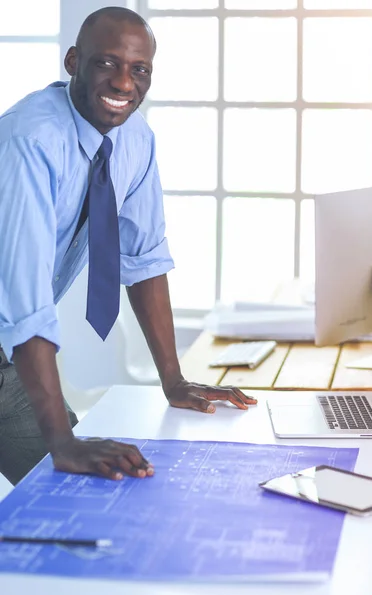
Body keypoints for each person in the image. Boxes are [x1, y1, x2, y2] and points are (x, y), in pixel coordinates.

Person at [0, 6, 257, 486]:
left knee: (80, 490)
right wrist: (62, 441)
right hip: (16, 332)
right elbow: (25, 300)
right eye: (106, 63)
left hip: (8, 356)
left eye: (139, 70)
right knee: (68, 467)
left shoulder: (134, 138)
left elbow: (145, 260)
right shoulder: (30, 140)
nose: (124, 83)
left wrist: (173, 379)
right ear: (74, 61)